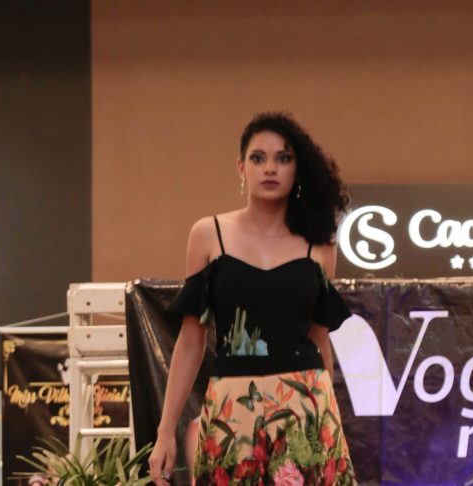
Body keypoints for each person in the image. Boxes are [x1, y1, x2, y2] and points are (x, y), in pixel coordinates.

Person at [149, 112, 357, 485]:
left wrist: (333, 424)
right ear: (241, 167)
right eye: (258, 158)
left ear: (297, 169)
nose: (270, 168)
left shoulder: (320, 245)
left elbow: (319, 339)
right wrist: (166, 431)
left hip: (305, 407)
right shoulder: (208, 234)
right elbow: (191, 339)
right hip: (231, 409)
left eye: (283, 158)